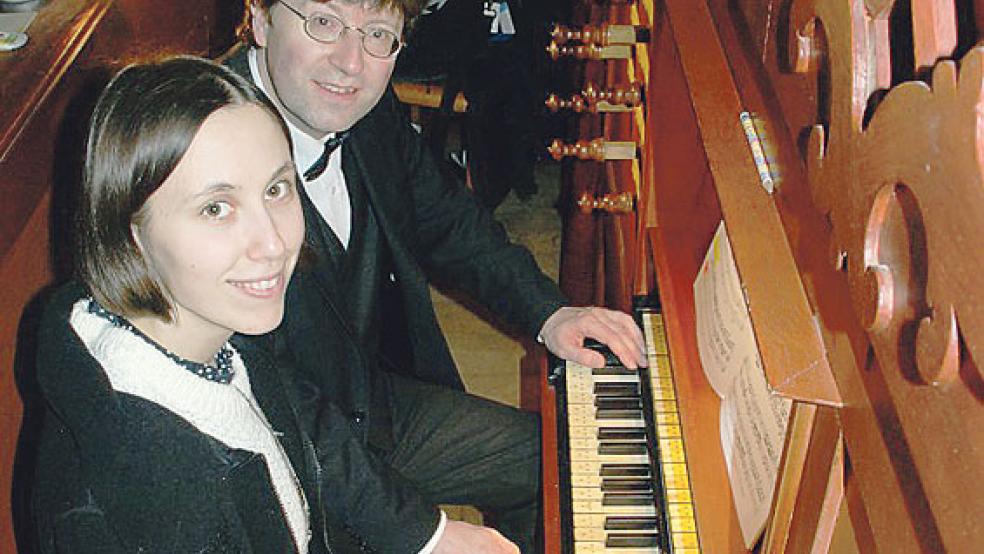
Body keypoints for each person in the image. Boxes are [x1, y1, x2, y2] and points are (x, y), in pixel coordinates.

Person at [233, 0, 648, 551]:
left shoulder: (362, 107)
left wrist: (550, 312)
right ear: (260, 18)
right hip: (270, 467)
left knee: (554, 465)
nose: (350, 62)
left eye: (378, 33)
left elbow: (448, 220)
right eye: (324, 22)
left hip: (373, 404)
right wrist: (425, 534)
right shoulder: (204, 155)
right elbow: (265, 402)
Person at [31, 56, 323, 552]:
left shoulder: (213, 327)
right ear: (131, 229)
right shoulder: (140, 500)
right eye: (216, 208)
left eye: (276, 189)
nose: (272, 243)